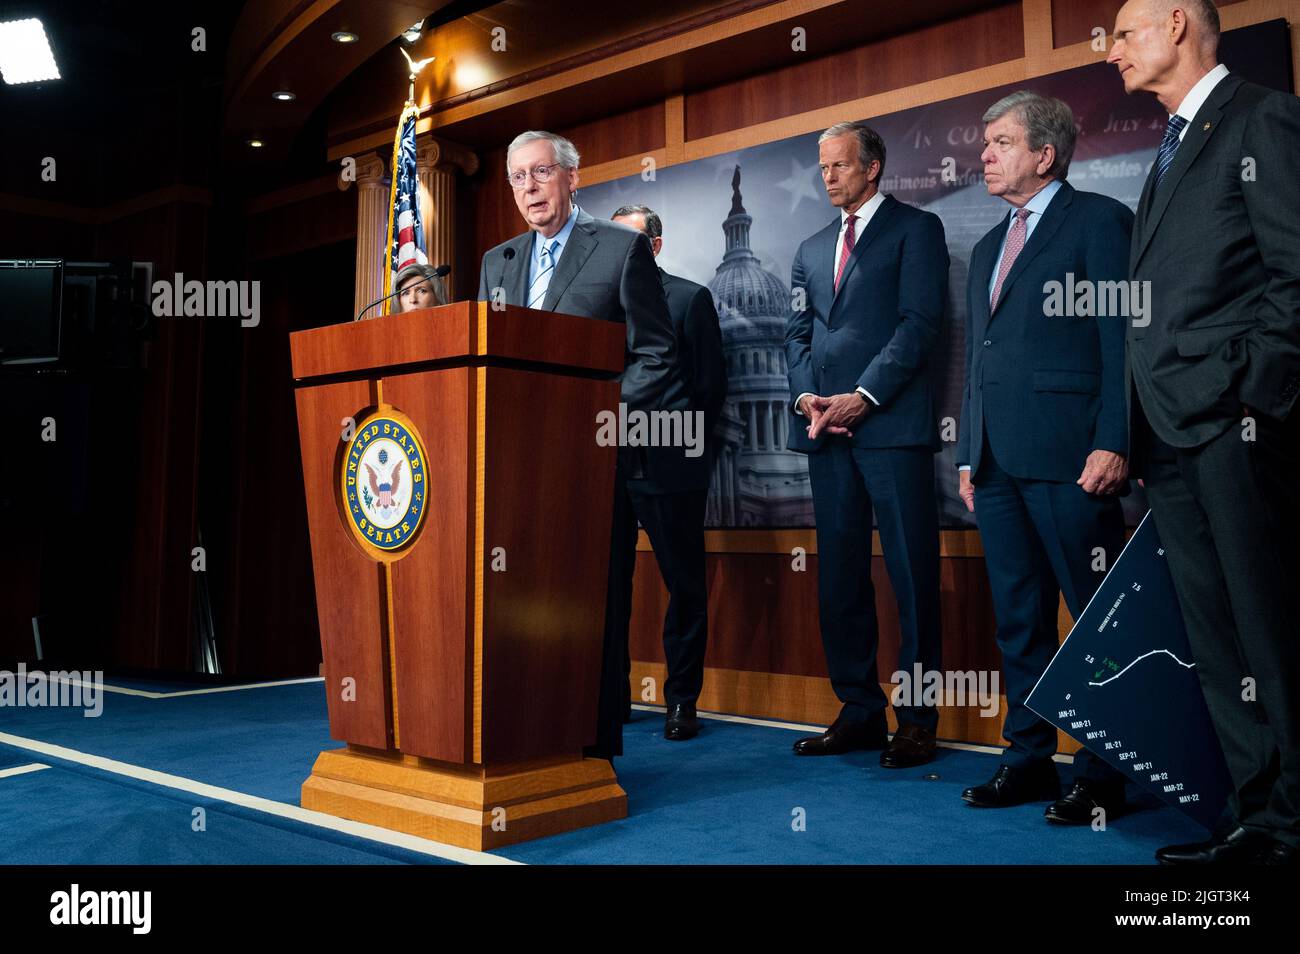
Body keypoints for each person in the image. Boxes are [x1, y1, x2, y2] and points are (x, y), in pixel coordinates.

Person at [1108, 0, 1300, 864]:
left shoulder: (1262, 118)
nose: (1112, 50)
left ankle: (1293, 820)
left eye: (1125, 33)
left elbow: (1295, 275)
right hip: (1168, 435)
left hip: (1235, 429)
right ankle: (1260, 817)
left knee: (1269, 629)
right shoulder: (1170, 147)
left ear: (1178, 24)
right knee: (1218, 640)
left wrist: (1250, 398)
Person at [476, 130, 686, 761]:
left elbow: (658, 354)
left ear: (572, 178)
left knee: (590, 605)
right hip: (514, 469)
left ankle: (588, 749)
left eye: (541, 173)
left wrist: (596, 418)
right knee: (516, 603)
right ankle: (521, 737)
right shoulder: (498, 262)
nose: (529, 187)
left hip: (594, 465)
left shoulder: (620, 249)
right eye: (517, 177)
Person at [956, 90, 1134, 822]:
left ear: (1044, 154)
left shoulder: (1099, 221)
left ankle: (1102, 772)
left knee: (1094, 622)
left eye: (1000, 142)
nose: (985, 154)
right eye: (986, 143)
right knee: (1019, 619)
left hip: (1073, 458)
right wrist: (969, 453)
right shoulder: (986, 246)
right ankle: (1026, 759)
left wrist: (1117, 437)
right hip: (995, 465)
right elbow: (979, 357)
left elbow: (1125, 337)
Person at [783, 121, 948, 768]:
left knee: (913, 577)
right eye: (821, 167)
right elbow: (795, 333)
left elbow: (919, 325)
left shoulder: (916, 230)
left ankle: (918, 720)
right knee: (840, 579)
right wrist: (806, 399)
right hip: (825, 433)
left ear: (873, 166)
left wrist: (865, 394)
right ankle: (859, 711)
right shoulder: (809, 246)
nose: (827, 176)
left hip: (891, 429)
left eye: (839, 165)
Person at [607, 204, 727, 741]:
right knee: (608, 587)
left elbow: (707, 390)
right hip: (606, 460)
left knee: (683, 584)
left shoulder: (689, 298)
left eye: (631, 243)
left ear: (655, 245)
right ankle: (610, 698)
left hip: (671, 462)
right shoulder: (600, 302)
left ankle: (682, 700)